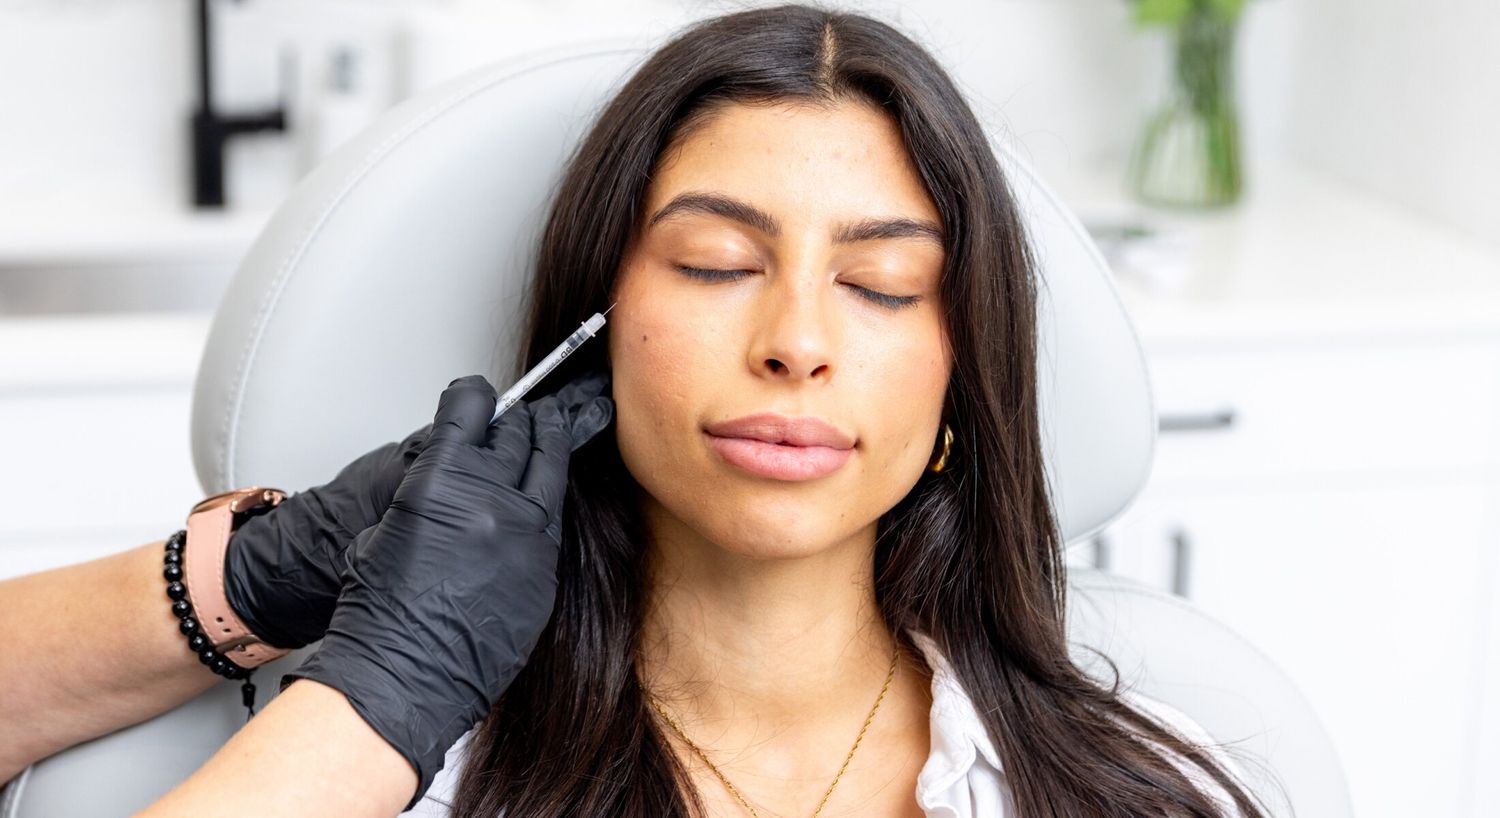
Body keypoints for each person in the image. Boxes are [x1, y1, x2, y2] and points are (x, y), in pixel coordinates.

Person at [0, 3, 1286, 816]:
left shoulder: (1137, 787)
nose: (793, 341)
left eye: (885, 284)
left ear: (966, 379)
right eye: (718, 266)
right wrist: (313, 621)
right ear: (594, 333)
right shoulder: (385, 766)